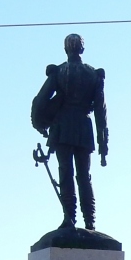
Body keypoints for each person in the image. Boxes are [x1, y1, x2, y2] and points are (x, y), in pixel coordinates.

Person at [32, 33, 109, 230]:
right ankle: (90, 220)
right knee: (84, 176)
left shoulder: (59, 72)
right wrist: (102, 142)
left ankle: (69, 218)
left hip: (63, 127)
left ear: (66, 49)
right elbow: (100, 111)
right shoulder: (93, 75)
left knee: (65, 173)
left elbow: (40, 100)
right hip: (84, 127)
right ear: (82, 49)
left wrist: (40, 123)